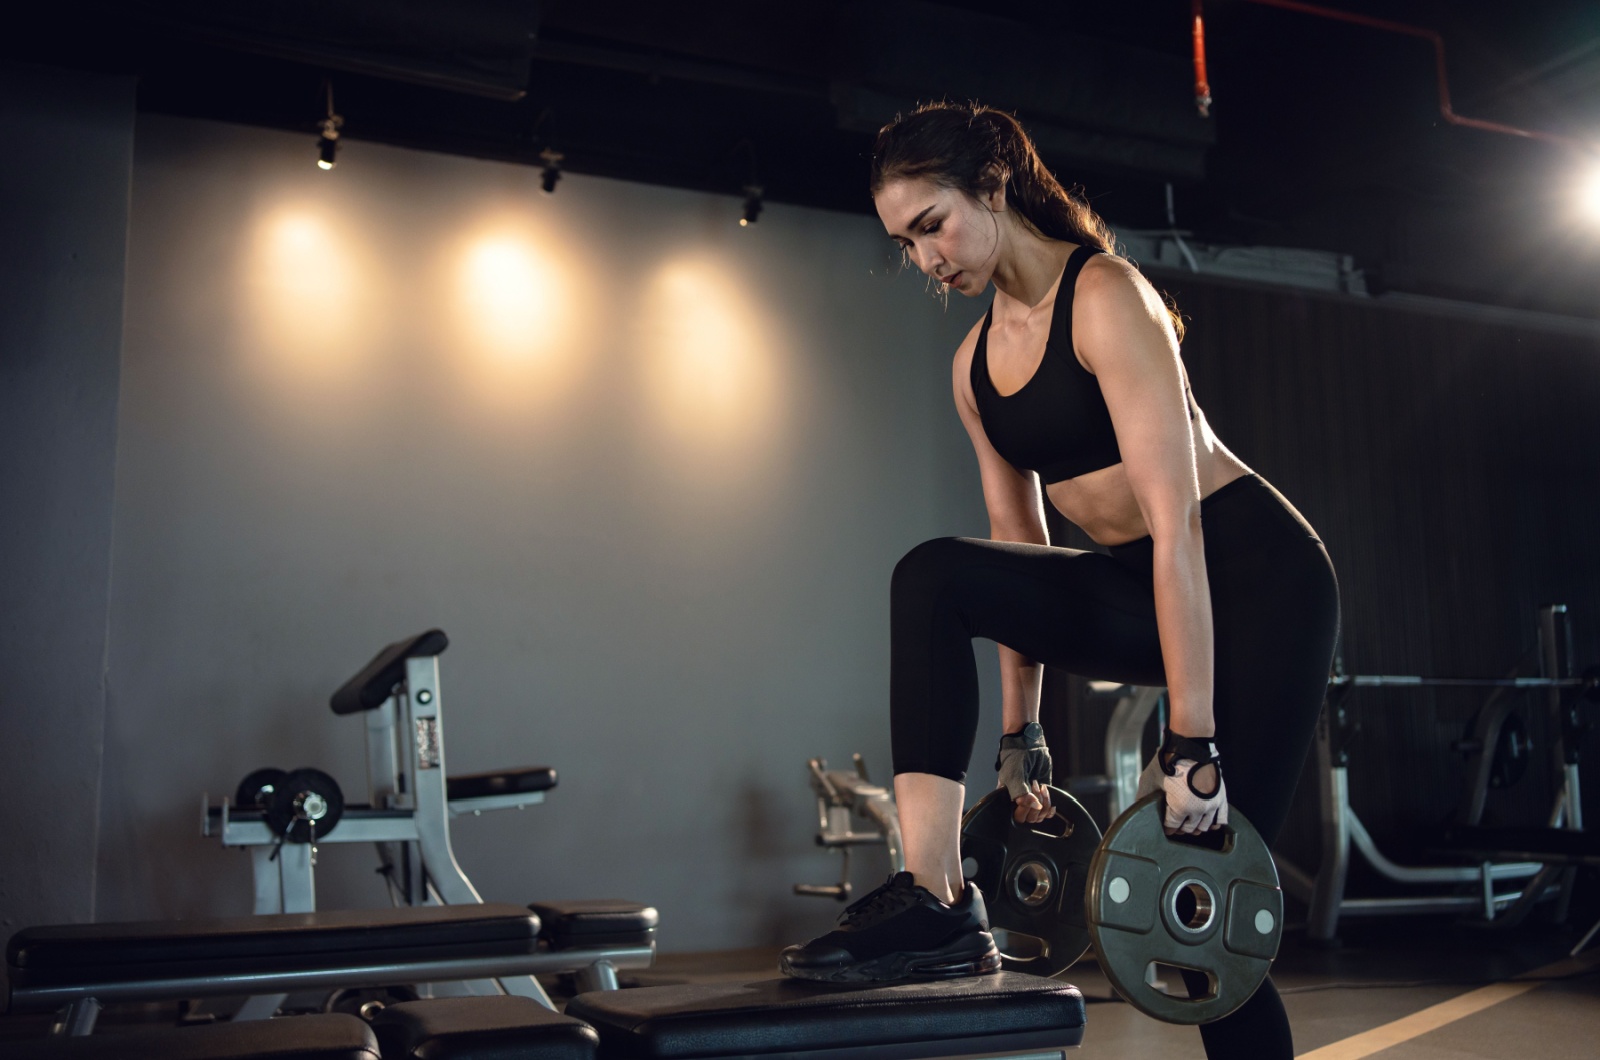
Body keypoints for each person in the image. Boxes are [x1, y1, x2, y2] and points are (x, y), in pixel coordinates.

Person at [779, 102, 1339, 1060]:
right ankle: (936, 898)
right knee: (934, 577)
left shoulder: (1108, 296)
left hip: (1259, 586)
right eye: (905, 243)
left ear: (993, 188)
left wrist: (1191, 746)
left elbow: (1179, 525)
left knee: (1201, 921)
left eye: (933, 226)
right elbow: (1019, 552)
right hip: (1143, 584)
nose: (927, 261)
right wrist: (1020, 737)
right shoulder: (973, 368)